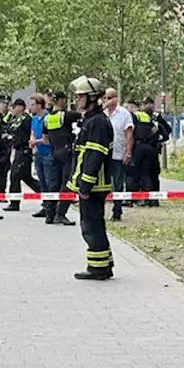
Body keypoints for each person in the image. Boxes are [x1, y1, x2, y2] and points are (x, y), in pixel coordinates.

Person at [67, 77, 115, 280]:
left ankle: (97, 269)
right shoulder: (92, 119)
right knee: (94, 224)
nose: (77, 100)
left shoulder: (97, 122)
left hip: (94, 185)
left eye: (80, 97)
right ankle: (104, 264)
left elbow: (94, 156)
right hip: (93, 184)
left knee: (91, 225)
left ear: (92, 98)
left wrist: (85, 186)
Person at [44, 90, 82, 226]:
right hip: (66, 152)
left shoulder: (47, 118)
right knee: (67, 183)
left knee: (53, 184)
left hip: (54, 152)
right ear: (60, 100)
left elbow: (45, 139)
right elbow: (82, 115)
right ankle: (61, 214)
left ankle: (49, 215)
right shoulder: (65, 115)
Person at [103, 89, 134, 221]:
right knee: (103, 184)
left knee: (118, 183)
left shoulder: (124, 114)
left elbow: (129, 134)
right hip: (103, 155)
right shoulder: (102, 114)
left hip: (118, 154)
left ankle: (117, 211)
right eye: (105, 97)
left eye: (110, 97)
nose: (107, 100)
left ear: (116, 98)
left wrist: (128, 152)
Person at [5, 98, 40, 212]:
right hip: (17, 150)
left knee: (15, 176)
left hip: (24, 151)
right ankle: (46, 195)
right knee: (26, 178)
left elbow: (31, 133)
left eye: (14, 107)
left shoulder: (27, 120)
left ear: (20, 107)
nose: (12, 109)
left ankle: (14, 202)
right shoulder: (16, 119)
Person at [28, 94, 54, 218]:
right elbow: (32, 132)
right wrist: (32, 140)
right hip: (38, 153)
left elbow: (47, 139)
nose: (31, 107)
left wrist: (36, 141)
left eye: (33, 105)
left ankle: (52, 208)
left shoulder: (48, 117)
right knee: (42, 182)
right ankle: (45, 205)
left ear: (39, 104)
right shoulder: (34, 119)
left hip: (48, 152)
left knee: (49, 181)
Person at [129, 102, 160, 204]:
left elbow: (130, 132)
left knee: (133, 173)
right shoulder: (146, 116)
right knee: (146, 173)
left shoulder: (133, 116)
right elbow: (154, 129)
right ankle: (148, 198)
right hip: (148, 147)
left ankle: (133, 199)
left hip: (138, 147)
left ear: (133, 107)